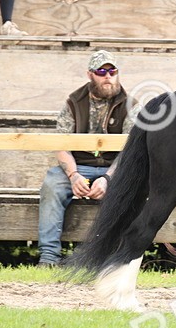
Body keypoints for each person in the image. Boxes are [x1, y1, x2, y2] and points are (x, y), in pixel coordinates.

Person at [37, 49, 138, 267]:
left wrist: (109, 179)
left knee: (132, 187)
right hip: (80, 167)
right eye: (102, 71)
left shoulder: (131, 104)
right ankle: (48, 257)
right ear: (90, 74)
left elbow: (130, 151)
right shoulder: (73, 102)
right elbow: (61, 144)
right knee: (52, 183)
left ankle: (119, 259)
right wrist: (73, 175)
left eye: (113, 71)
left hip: (115, 169)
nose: (108, 76)